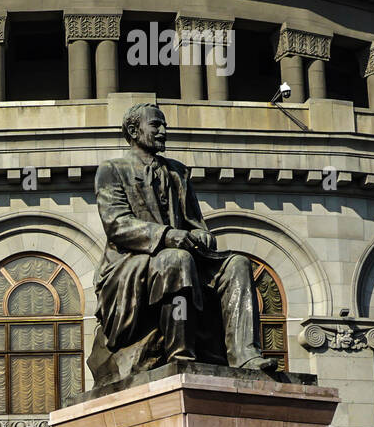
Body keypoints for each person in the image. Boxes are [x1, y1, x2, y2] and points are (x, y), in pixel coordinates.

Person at [88, 102, 279, 384]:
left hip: (182, 255)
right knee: (176, 259)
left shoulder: (177, 172)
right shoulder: (112, 170)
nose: (164, 131)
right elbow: (117, 225)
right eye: (156, 125)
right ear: (133, 130)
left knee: (237, 263)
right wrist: (168, 236)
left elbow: (194, 222)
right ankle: (180, 356)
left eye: (164, 125)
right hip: (130, 264)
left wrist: (202, 235)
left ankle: (245, 355)